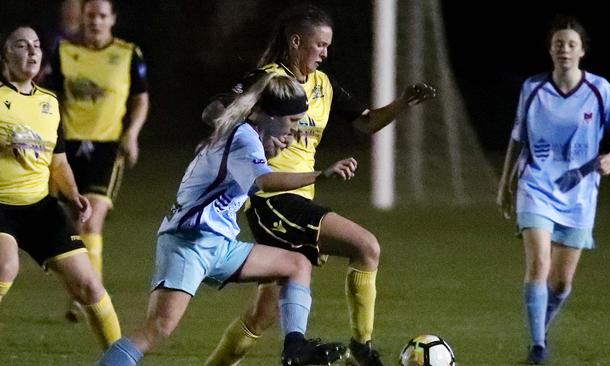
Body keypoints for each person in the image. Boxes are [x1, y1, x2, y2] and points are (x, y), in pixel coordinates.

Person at [203, 5, 435, 366]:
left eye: (327, 46)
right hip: (271, 200)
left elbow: (366, 122)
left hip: (298, 198)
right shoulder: (268, 80)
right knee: (366, 246)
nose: (325, 53)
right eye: (320, 45)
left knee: (261, 316)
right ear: (296, 42)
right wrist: (245, 134)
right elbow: (214, 110)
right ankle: (361, 347)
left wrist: (402, 103)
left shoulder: (323, 85)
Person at [97, 73, 357, 366]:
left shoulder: (249, 135)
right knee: (158, 329)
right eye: (293, 122)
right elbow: (265, 182)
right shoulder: (243, 137)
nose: (295, 132)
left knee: (296, 264)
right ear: (270, 115)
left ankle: (295, 347)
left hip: (218, 244)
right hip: (189, 243)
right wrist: (321, 174)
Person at [496, 15, 610, 365]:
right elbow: (518, 140)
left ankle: (539, 330)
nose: (565, 50)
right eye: (559, 44)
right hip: (536, 185)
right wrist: (505, 185)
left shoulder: (599, 90)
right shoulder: (533, 88)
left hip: (580, 195)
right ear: (550, 49)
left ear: (582, 51)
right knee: (539, 261)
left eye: (572, 44)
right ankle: (538, 346)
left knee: (559, 283)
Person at [0, 23, 121, 350]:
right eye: (21, 45)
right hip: (1, 208)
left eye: (36, 45)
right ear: (5, 55)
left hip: (40, 209)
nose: (32, 51)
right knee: (5, 266)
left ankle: (120, 359)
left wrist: (73, 194)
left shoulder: (50, 103)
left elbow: (59, 162)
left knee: (90, 286)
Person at [46, 0, 150, 321]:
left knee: (90, 220)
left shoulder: (128, 54)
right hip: (67, 148)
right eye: (90, 15)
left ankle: (89, 297)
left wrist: (131, 134)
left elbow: (140, 99)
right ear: (83, 18)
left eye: (102, 16)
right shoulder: (63, 53)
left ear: (113, 19)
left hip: (107, 148)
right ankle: (82, 289)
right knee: (71, 226)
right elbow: (49, 98)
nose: (95, 21)